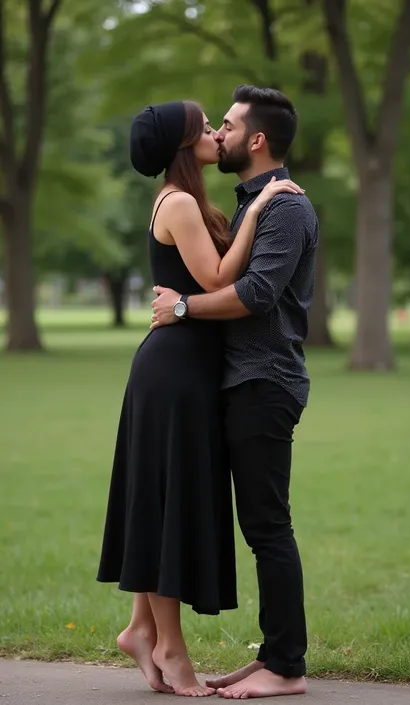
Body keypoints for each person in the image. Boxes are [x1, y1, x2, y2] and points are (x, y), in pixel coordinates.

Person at [96, 98, 304, 697]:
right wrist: (264, 201)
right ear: (186, 144)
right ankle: (171, 649)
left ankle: (141, 628)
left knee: (163, 499)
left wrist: (257, 205)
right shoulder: (181, 201)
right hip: (176, 371)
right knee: (166, 501)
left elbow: (211, 277)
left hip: (191, 368)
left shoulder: (191, 200)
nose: (215, 132)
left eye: (223, 124)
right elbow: (218, 281)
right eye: (206, 126)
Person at [150, 85, 319, 699]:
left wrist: (184, 309)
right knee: (248, 524)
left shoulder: (287, 209)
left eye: (225, 125)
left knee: (268, 526)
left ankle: (287, 667)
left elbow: (254, 295)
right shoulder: (253, 202)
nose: (215, 134)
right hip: (233, 384)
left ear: (256, 140)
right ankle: (268, 655)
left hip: (264, 383)